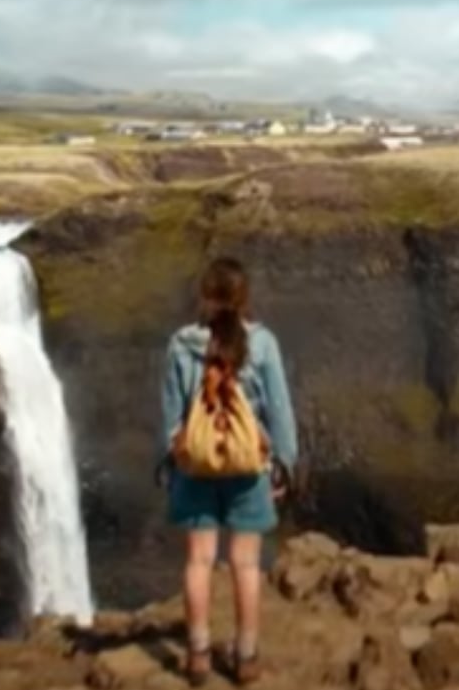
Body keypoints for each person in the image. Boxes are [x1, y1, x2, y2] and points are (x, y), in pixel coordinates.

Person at [158, 257, 298, 687]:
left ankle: (198, 656)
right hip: (247, 469)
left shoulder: (180, 344)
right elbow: (279, 411)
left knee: (199, 560)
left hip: (196, 469)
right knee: (246, 563)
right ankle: (246, 657)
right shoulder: (264, 344)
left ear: (204, 297)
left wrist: (169, 462)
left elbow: (171, 416)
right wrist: (284, 465)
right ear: (244, 298)